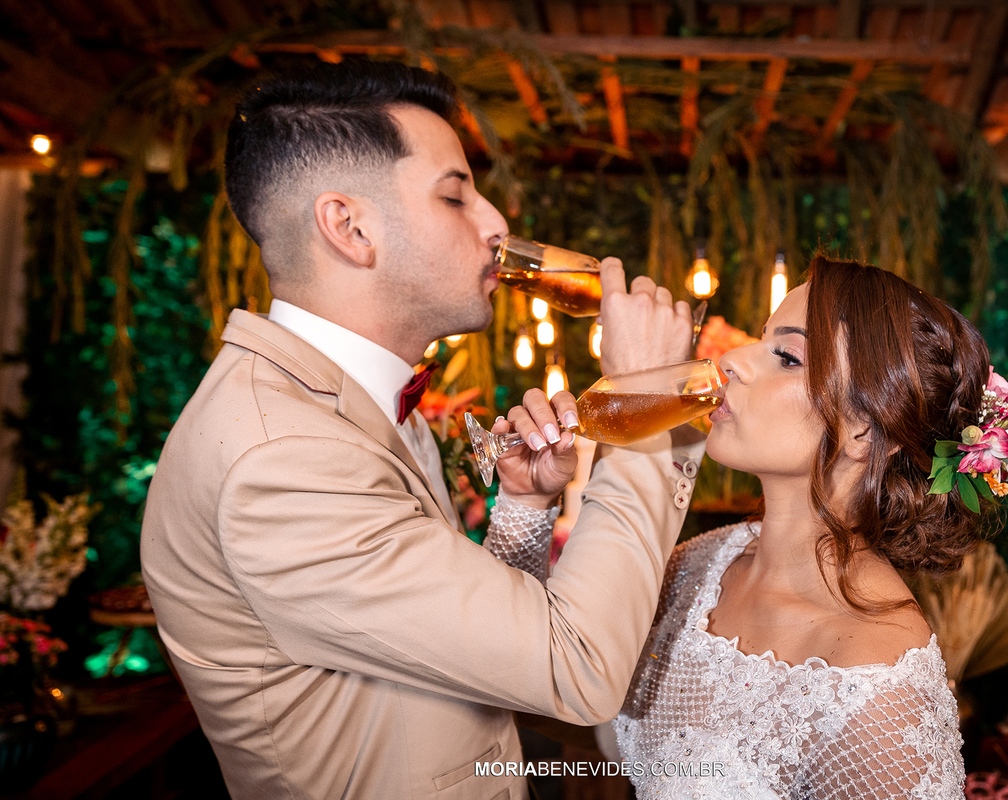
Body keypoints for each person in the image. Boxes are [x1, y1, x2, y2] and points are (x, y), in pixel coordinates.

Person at [140, 60, 703, 800]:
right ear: (350, 227)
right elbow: (577, 668)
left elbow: (466, 648)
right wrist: (646, 400)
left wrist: (524, 508)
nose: (496, 224)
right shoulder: (282, 459)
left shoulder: (344, 402)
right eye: (455, 195)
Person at [489, 256, 992, 798]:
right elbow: (543, 685)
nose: (730, 360)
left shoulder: (879, 689)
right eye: (760, 337)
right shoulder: (697, 569)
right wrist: (527, 502)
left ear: (865, 433)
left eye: (787, 357)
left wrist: (634, 390)